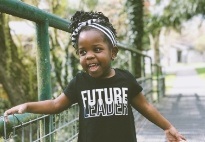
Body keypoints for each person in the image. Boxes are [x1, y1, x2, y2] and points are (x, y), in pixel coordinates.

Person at [4, 11, 186, 142]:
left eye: (97, 49)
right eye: (83, 52)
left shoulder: (125, 79)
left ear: (113, 52)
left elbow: (145, 106)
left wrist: (168, 127)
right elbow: (55, 105)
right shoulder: (79, 82)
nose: (89, 55)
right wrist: (28, 106)